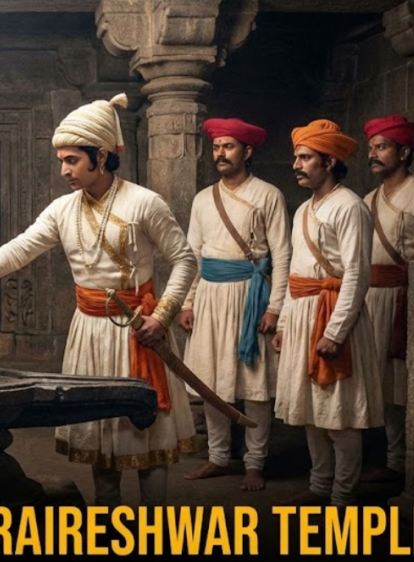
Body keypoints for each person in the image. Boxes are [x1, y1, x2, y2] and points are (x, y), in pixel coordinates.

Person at [0, 94, 198, 506]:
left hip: (139, 331)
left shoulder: (144, 202)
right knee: (100, 432)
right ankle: (108, 523)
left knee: (147, 434)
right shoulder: (62, 209)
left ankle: (153, 528)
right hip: (88, 331)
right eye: (61, 161)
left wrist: (162, 316)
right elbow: (21, 247)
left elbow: (184, 259)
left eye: (72, 160)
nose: (64, 170)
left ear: (100, 156)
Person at [272, 119, 383, 506]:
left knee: (339, 413)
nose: (296, 165)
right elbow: (295, 276)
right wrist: (285, 323)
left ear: (330, 161)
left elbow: (357, 274)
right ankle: (319, 485)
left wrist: (335, 332)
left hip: (333, 315)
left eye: (305, 158)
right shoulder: (303, 209)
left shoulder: (350, 206)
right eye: (296, 158)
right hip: (303, 315)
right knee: (310, 410)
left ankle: (342, 495)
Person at [179, 118, 291, 492]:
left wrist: (275, 308)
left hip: (251, 295)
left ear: (247, 151)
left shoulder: (268, 195)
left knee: (254, 384)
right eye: (216, 147)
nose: (221, 154)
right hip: (210, 296)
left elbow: (282, 254)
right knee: (212, 381)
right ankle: (218, 457)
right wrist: (187, 302)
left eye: (228, 147)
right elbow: (193, 255)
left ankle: (254, 463)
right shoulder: (203, 199)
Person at [358, 115, 414, 485]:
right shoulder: (367, 200)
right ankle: (392, 458)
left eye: (382, 147)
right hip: (372, 299)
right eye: (371, 148)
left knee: (404, 380)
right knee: (381, 382)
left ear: (404, 151)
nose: (373, 154)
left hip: (407, 300)